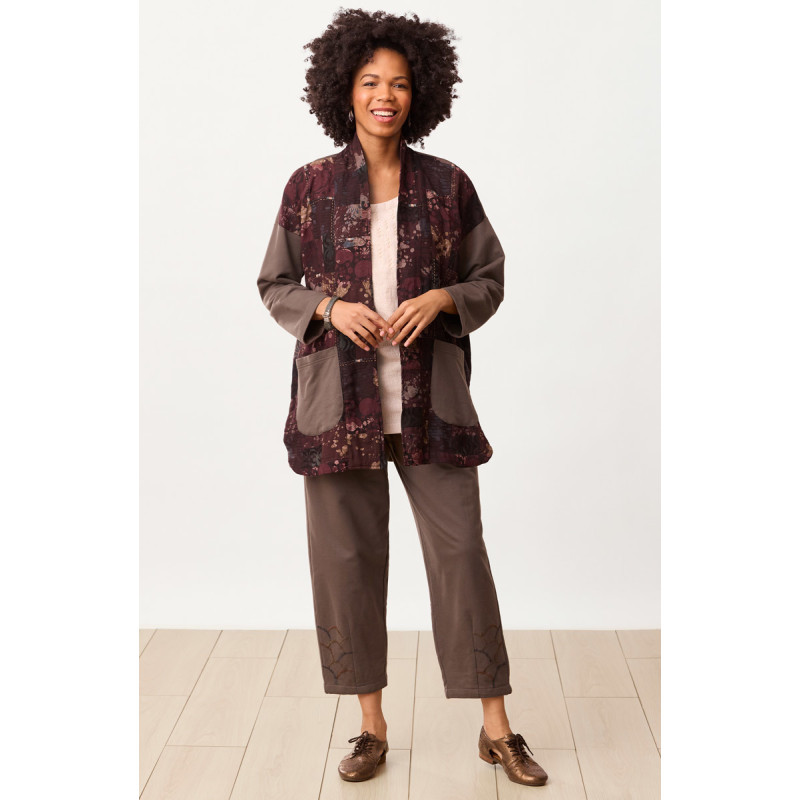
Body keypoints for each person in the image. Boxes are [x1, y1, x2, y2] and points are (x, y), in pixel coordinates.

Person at [256, 8, 548, 788]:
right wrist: (328, 307)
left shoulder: (449, 185)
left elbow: (489, 277)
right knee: (347, 564)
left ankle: (496, 729)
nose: (385, 96)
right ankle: (371, 727)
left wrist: (446, 297)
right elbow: (275, 283)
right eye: (370, 82)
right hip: (336, 411)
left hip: (432, 406)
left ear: (421, 94)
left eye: (399, 84)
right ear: (343, 91)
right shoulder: (309, 187)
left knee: (461, 556)